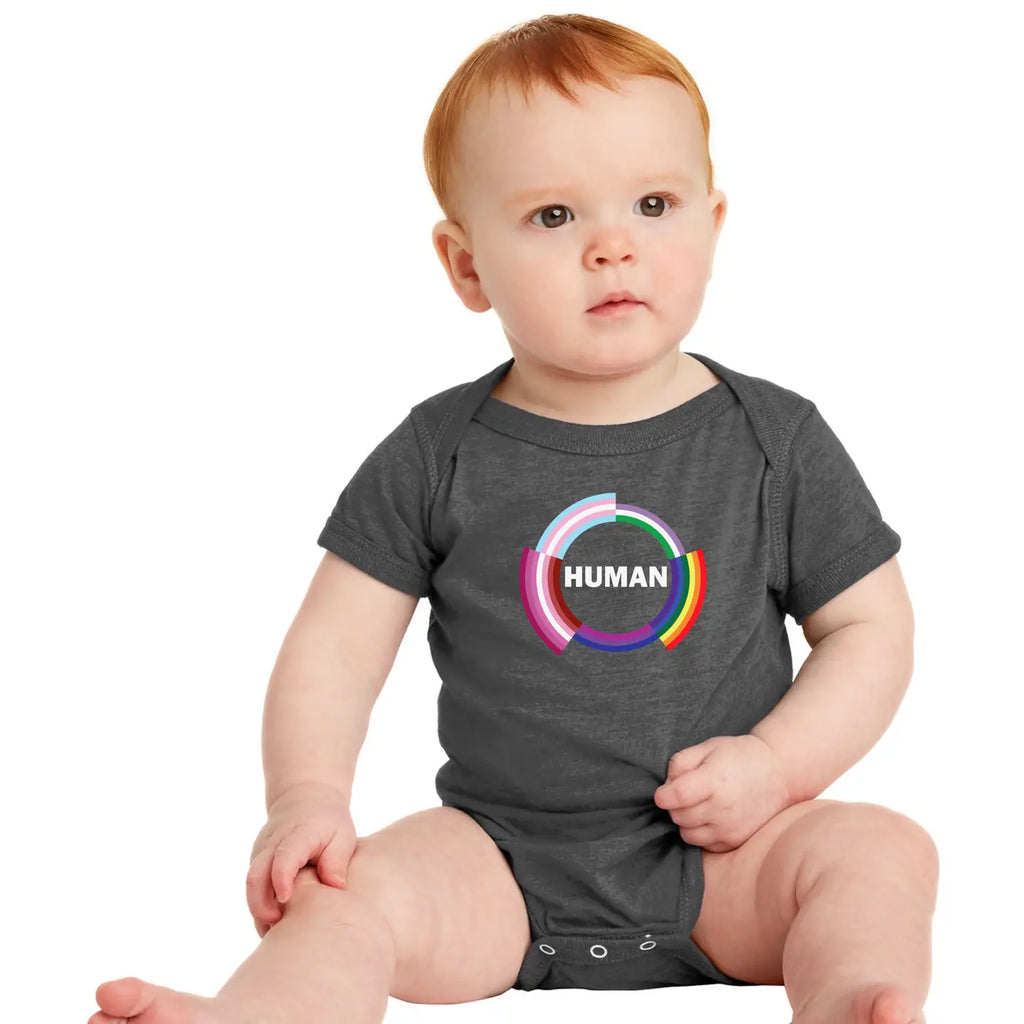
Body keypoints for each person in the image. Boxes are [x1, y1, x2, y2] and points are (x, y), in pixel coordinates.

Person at [89, 13, 937, 1024]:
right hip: (493, 865)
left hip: (733, 859)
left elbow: (870, 629)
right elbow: (334, 649)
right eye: (552, 216)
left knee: (881, 849)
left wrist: (777, 766)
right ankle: (265, 1016)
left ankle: (847, 999)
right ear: (465, 266)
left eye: (653, 204)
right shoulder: (436, 452)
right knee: (349, 894)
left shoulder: (776, 440)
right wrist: (306, 799)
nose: (613, 246)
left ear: (713, 224)